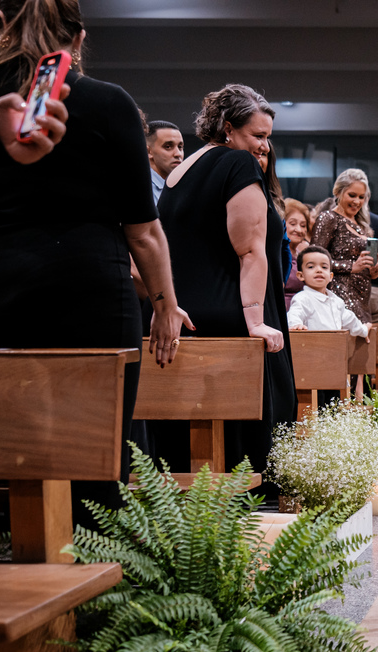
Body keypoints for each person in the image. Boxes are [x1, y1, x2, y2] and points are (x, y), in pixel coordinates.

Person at [0, 0, 191, 522]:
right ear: (79, 39)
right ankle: (93, 574)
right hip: (92, 286)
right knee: (98, 443)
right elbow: (143, 230)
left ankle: (24, 559)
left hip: (4, 279)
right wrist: (166, 304)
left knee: (19, 436)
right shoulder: (108, 103)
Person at [156, 83, 293, 477]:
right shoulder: (238, 165)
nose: (264, 146)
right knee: (248, 431)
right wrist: (255, 320)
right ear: (229, 128)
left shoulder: (180, 171)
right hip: (233, 314)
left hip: (190, 315)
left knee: (191, 422)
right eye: (258, 136)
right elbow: (250, 250)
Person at [313, 168, 378, 324]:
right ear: (338, 192)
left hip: (363, 298)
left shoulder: (363, 227)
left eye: (361, 197)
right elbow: (314, 261)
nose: (357, 201)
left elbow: (364, 268)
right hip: (338, 296)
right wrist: (351, 266)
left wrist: (375, 270)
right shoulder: (328, 218)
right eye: (352, 195)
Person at [287, 245, 369, 339]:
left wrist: (364, 330)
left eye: (324, 267)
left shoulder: (337, 301)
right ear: (301, 275)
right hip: (312, 349)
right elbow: (294, 314)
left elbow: (351, 321)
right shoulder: (302, 298)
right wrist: (296, 325)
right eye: (311, 267)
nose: (319, 270)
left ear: (330, 276)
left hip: (334, 350)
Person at [282, 197, 312, 307]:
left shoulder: (303, 256)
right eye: (293, 224)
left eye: (303, 225)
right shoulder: (276, 256)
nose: (299, 230)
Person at [146, 120, 183, 204]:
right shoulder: (140, 189)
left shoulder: (183, 187)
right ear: (148, 151)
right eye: (168, 147)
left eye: (180, 147)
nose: (178, 154)